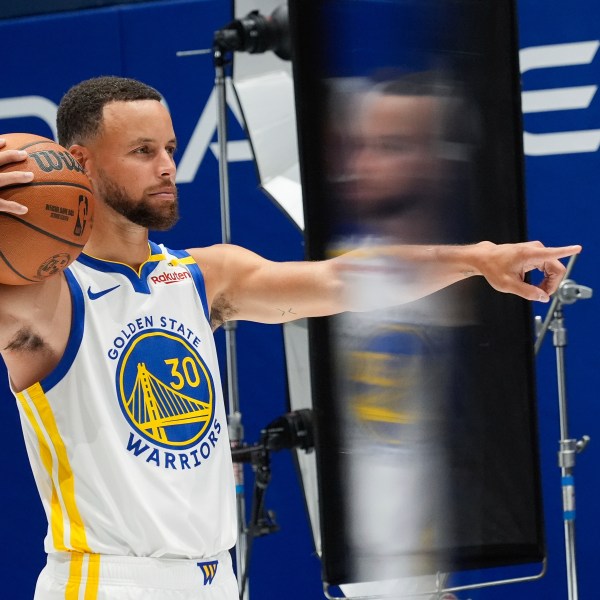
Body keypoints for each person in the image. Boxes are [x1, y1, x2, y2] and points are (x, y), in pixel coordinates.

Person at [0, 76, 580, 600]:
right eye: (143, 152)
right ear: (79, 162)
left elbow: (343, 279)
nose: (167, 167)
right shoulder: (45, 299)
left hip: (214, 578)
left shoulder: (204, 275)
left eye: (171, 149)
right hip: (108, 581)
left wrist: (477, 260)